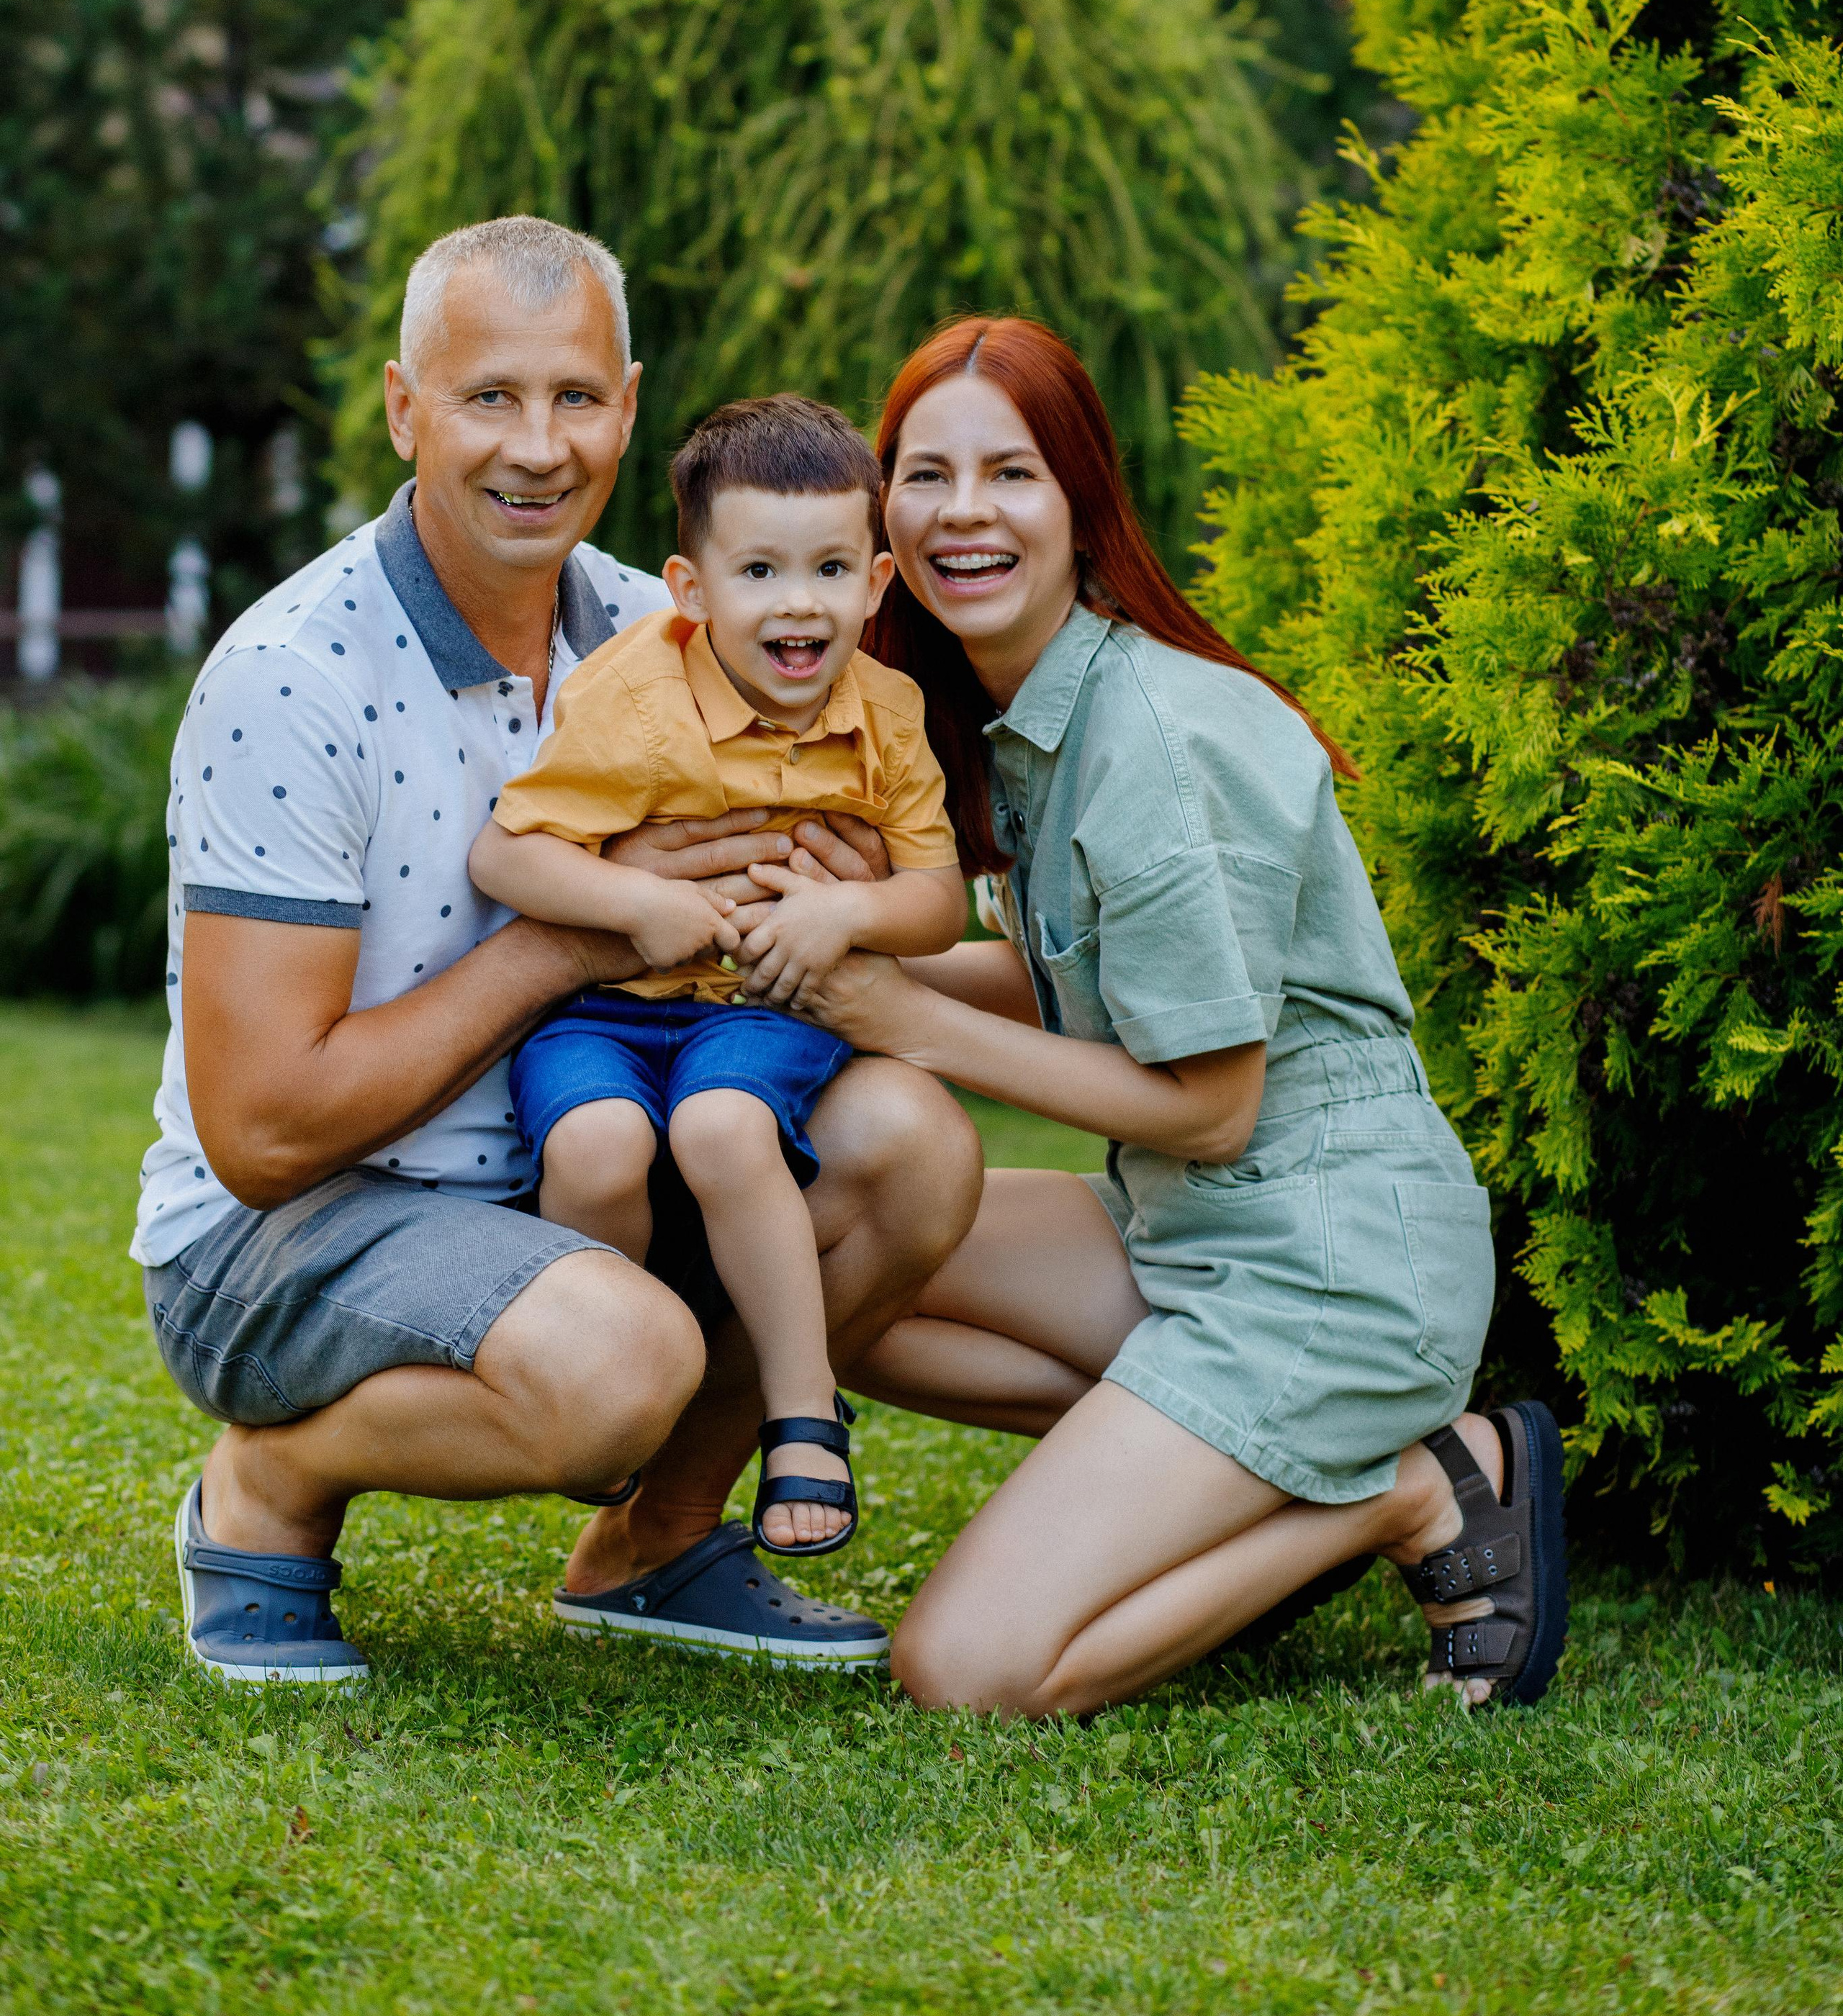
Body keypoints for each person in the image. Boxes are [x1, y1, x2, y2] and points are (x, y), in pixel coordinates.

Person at [137, 216, 981, 1683]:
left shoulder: (672, 629)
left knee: (912, 1146)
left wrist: (833, 894)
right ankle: (262, 1492)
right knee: (620, 1359)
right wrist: (572, 933)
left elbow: (843, 889)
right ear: (406, 408)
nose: (537, 446)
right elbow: (265, 1136)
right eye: (489, 398)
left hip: (583, 1154)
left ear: (631, 406)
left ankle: (657, 1546)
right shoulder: (294, 678)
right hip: (291, 1231)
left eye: (575, 398)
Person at [777, 317, 1568, 1717]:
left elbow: (1212, 1103)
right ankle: (1210, 1498)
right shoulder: (1020, 719)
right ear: (881, 512)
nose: (965, 512)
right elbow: (1070, 976)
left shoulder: (1158, 742)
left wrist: (897, 1014)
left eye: (1009, 473)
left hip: (1327, 1269)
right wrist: (815, 964)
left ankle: (1406, 1490)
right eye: (923, 473)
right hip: (1184, 1235)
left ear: (1081, 502)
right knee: (841, 1274)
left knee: (964, 1670)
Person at [469, 396, 965, 1557]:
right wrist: (636, 902)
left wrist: (847, 909)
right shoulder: (634, 697)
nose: (799, 602)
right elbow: (508, 850)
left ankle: (801, 1412)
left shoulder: (888, 716)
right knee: (597, 1150)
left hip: (762, 1005)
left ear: (878, 585)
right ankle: (609, 1386)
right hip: (603, 1010)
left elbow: (939, 904)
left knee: (726, 1127)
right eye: (759, 571)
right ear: (691, 592)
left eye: (833, 568)